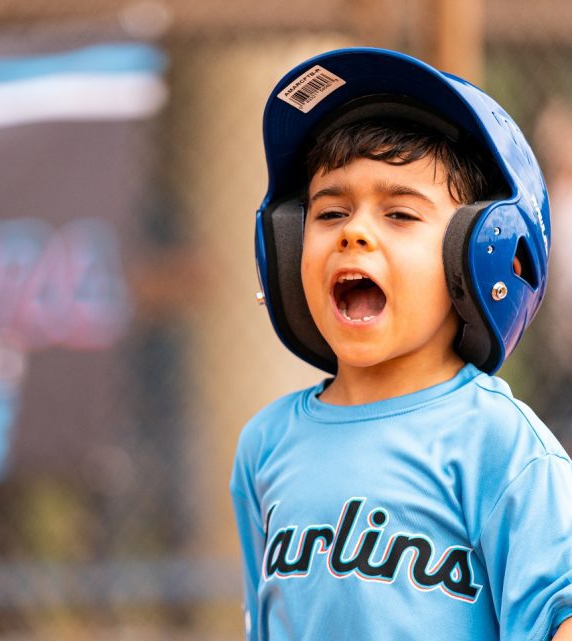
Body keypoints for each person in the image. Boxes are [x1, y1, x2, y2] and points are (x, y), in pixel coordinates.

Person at [231, 47, 572, 640]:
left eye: (400, 214)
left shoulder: (498, 445)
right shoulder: (264, 446)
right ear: (285, 251)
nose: (355, 233)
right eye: (331, 211)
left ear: (475, 254)